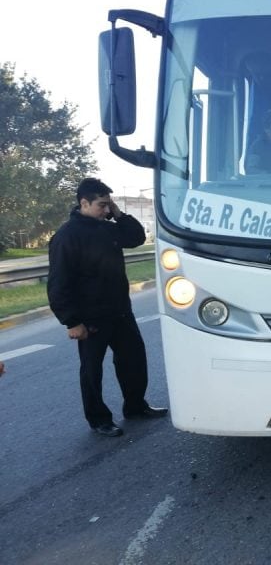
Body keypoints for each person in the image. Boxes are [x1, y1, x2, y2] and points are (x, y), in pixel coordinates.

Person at [47, 178, 167, 437]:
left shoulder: (108, 228)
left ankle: (135, 406)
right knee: (92, 371)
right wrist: (72, 321)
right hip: (90, 317)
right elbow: (58, 283)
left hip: (120, 311)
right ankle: (99, 419)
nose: (106, 210)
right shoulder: (67, 236)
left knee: (134, 361)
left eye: (108, 205)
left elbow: (135, 237)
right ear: (84, 203)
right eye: (102, 205)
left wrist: (118, 213)